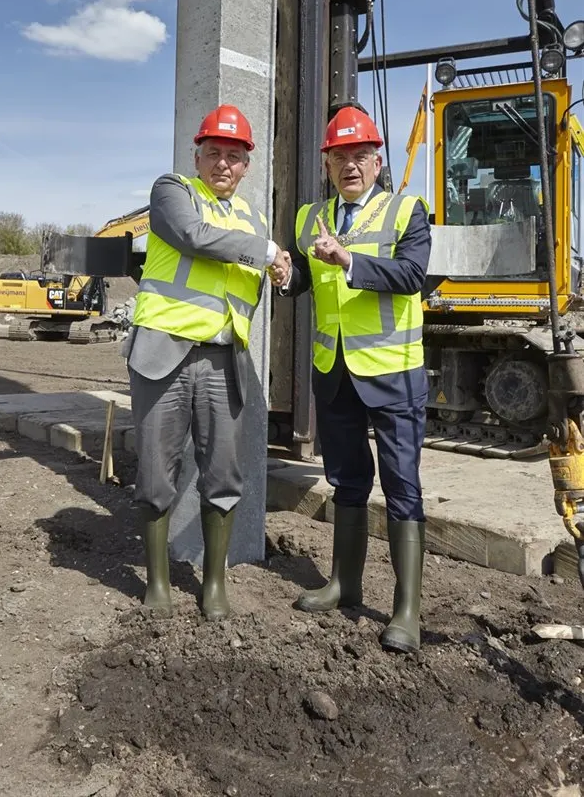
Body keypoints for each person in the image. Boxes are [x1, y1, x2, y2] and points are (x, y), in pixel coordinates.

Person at [272, 104, 431, 653]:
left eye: (360, 156)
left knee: (402, 487)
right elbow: (302, 285)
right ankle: (344, 584)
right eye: (341, 157)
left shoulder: (406, 211)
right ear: (328, 164)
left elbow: (412, 276)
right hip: (334, 372)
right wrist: (284, 274)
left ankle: (406, 611)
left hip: (393, 374)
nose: (351, 166)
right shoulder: (308, 217)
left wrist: (348, 260)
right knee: (347, 482)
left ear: (378, 161)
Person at [126, 104, 288, 621]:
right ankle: (157, 582)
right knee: (156, 473)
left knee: (223, 474)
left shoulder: (253, 218)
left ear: (246, 166)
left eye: (234, 156)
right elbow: (193, 238)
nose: (223, 163)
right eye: (214, 152)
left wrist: (282, 272)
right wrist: (264, 251)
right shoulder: (173, 191)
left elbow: (257, 282)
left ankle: (213, 584)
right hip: (164, 355)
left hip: (224, 361)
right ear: (197, 156)